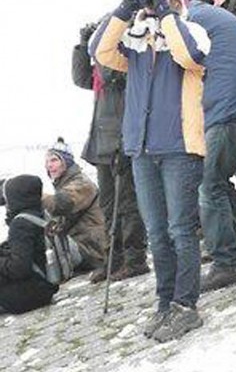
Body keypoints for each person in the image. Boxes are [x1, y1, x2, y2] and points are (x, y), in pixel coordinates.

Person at [92, 0, 205, 342]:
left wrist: (168, 16)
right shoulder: (136, 43)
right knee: (157, 233)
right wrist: (124, 11)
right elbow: (101, 52)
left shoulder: (191, 31)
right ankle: (164, 303)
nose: (152, 7)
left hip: (179, 147)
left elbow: (191, 57)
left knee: (180, 230)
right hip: (142, 149)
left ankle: (185, 305)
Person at [178, 0, 236, 291]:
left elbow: (183, 63)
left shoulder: (186, 21)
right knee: (221, 180)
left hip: (227, 108)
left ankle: (226, 263)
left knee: (208, 183)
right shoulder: (214, 16)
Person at [72, 22, 149, 281]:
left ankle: (135, 258)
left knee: (127, 203)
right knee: (108, 205)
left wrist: (104, 49)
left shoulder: (123, 61)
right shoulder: (102, 66)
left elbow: (115, 86)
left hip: (119, 141)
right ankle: (113, 259)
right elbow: (81, 78)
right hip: (102, 143)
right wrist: (83, 47)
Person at [42, 138, 108, 280]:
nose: (49, 166)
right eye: (47, 162)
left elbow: (61, 204)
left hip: (91, 248)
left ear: (66, 162)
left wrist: (29, 193)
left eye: (54, 160)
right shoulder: (64, 185)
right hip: (81, 246)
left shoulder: (82, 183)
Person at [0, 175, 58, 314]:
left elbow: (18, 268)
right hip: (45, 288)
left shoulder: (20, 224)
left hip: (26, 296)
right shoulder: (38, 214)